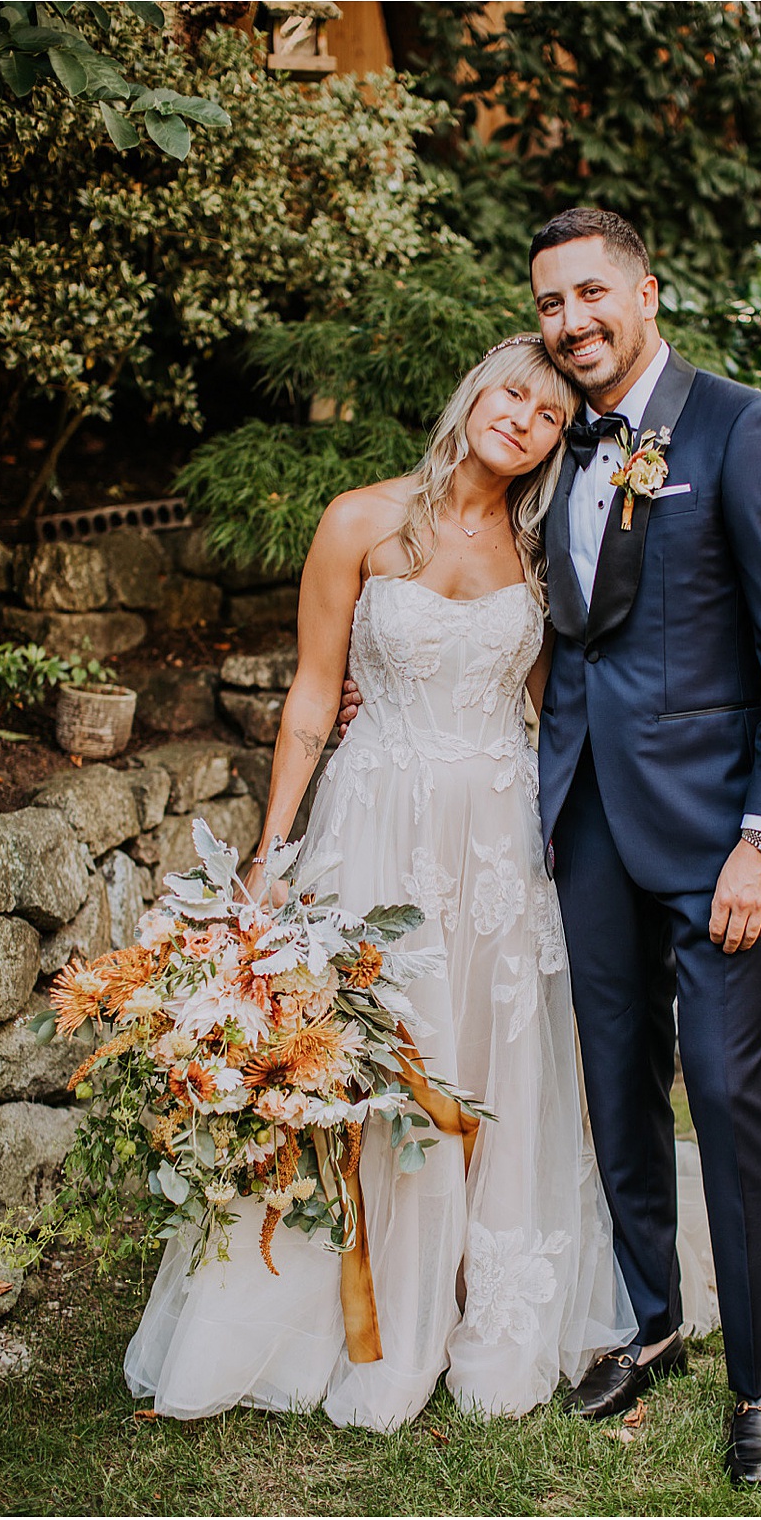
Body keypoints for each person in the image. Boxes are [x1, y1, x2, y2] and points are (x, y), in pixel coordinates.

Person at [123, 335, 639, 1429]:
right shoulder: (360, 519)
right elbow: (314, 696)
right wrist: (271, 853)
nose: (525, 420)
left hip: (496, 841)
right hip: (372, 824)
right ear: (475, 391)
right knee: (368, 1053)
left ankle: (479, 1301)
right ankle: (347, 1308)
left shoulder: (542, 551)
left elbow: (559, 712)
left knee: (488, 1056)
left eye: (551, 415)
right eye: (513, 392)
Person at [527, 206, 761, 1484]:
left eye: (592, 294)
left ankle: (760, 1379)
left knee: (724, 1085)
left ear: (647, 291)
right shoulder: (558, 440)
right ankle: (652, 1320)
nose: (572, 324)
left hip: (722, 832)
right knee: (615, 1080)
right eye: (552, 304)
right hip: (589, 823)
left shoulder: (739, 426)